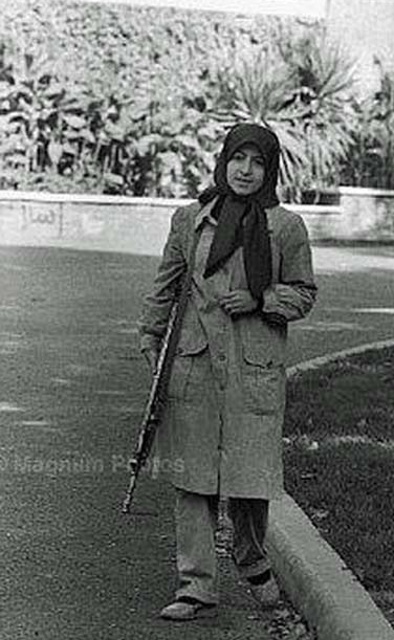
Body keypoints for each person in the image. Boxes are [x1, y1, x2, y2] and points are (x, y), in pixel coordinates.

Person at [138, 122, 317, 621]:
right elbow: (167, 283)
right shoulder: (190, 219)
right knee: (193, 478)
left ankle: (251, 558)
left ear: (269, 170)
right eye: (238, 158)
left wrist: (262, 299)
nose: (245, 170)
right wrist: (150, 333)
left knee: (249, 476)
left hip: (252, 366)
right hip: (194, 363)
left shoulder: (286, 227)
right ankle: (195, 586)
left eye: (257, 162)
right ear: (223, 161)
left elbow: (304, 294)